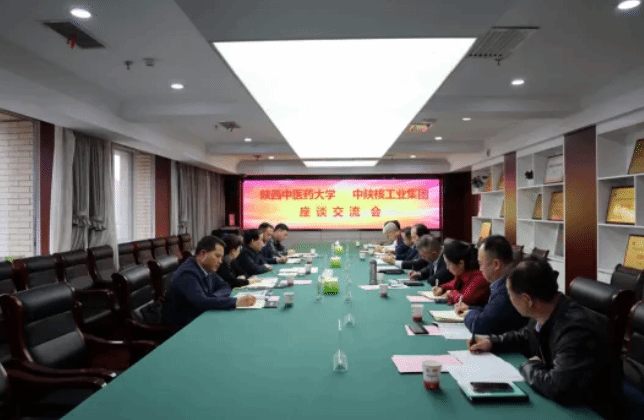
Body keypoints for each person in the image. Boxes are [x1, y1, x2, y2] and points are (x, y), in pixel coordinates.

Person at [468, 259, 623, 419]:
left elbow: (558, 387)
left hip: (590, 411)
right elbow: (526, 336)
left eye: (510, 294)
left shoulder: (575, 329)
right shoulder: (548, 308)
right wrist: (492, 341)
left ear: (527, 300)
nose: (510, 299)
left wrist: (529, 365)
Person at [163, 235, 257, 329]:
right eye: (217, 256)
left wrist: (211, 298)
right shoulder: (187, 273)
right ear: (203, 253)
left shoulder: (207, 269)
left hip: (201, 318)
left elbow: (225, 286)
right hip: (184, 327)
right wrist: (235, 302)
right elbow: (202, 302)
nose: (220, 261)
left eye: (221, 257)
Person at [455, 235, 527, 334]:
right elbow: (491, 311)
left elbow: (480, 326)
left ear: (496, 264)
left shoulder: (508, 288)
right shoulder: (505, 281)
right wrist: (470, 308)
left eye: (481, 264)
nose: (480, 269)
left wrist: (468, 314)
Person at [432, 240, 489, 306]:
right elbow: (451, 284)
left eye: (449, 264)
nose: (447, 268)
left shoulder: (479, 278)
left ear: (461, 263)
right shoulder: (461, 274)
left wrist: (450, 293)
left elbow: (464, 299)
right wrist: (441, 288)